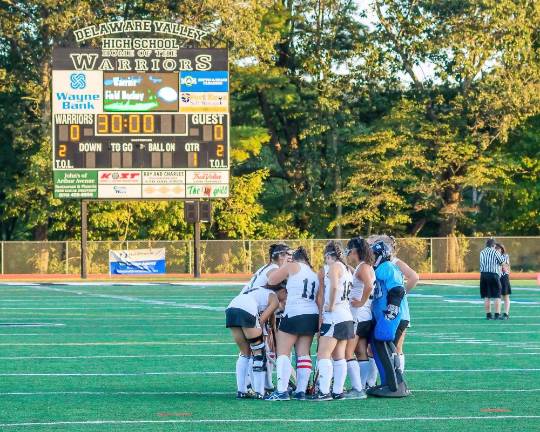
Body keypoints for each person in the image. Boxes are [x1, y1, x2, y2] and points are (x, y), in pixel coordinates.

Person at [265, 247, 320, 401]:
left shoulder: (292, 265)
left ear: (294, 258)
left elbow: (271, 280)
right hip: (312, 313)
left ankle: (282, 391)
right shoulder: (313, 273)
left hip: (295, 311)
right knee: (303, 353)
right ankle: (301, 391)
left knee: (283, 352)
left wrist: (284, 265)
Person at [311, 241, 355, 401]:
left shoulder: (335, 266)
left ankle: (324, 391)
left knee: (323, 354)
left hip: (335, 316)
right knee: (339, 356)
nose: (325, 262)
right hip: (346, 315)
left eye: (325, 258)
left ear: (330, 256)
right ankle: (337, 391)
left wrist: (330, 305)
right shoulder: (347, 269)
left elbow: (335, 287)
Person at [225, 277, 284, 399]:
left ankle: (241, 391)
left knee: (245, 353)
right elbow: (261, 321)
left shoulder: (259, 290)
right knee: (259, 353)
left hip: (231, 309)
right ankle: (260, 392)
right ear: (282, 291)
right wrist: (260, 341)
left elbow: (271, 322)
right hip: (247, 311)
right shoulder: (274, 298)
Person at [366, 240, 410, 398]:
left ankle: (393, 386)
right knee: (386, 349)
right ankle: (395, 383)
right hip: (390, 315)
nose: (371, 258)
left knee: (383, 347)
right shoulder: (380, 268)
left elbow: (397, 290)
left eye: (374, 255)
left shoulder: (387, 267)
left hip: (393, 315)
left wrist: (390, 314)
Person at [343, 237, 375, 397]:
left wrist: (361, 301)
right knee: (360, 351)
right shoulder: (365, 266)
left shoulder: (363, 267)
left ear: (355, 250)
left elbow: (368, 286)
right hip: (365, 316)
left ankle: (357, 389)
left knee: (347, 353)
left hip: (359, 315)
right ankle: (362, 385)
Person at [480, 238, 505, 320]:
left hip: (483, 275)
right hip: (493, 274)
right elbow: (502, 262)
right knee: (497, 295)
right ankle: (497, 315)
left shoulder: (482, 252)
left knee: (487, 296)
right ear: (493, 245)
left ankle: (488, 315)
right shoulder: (495, 252)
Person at [496, 243, 511, 320]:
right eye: (496, 249)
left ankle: (506, 313)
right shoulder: (493, 255)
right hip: (496, 277)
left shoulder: (505, 256)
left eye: (499, 248)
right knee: (498, 296)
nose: (497, 250)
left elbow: (505, 267)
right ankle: (497, 313)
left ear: (502, 249)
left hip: (503, 277)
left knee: (505, 296)